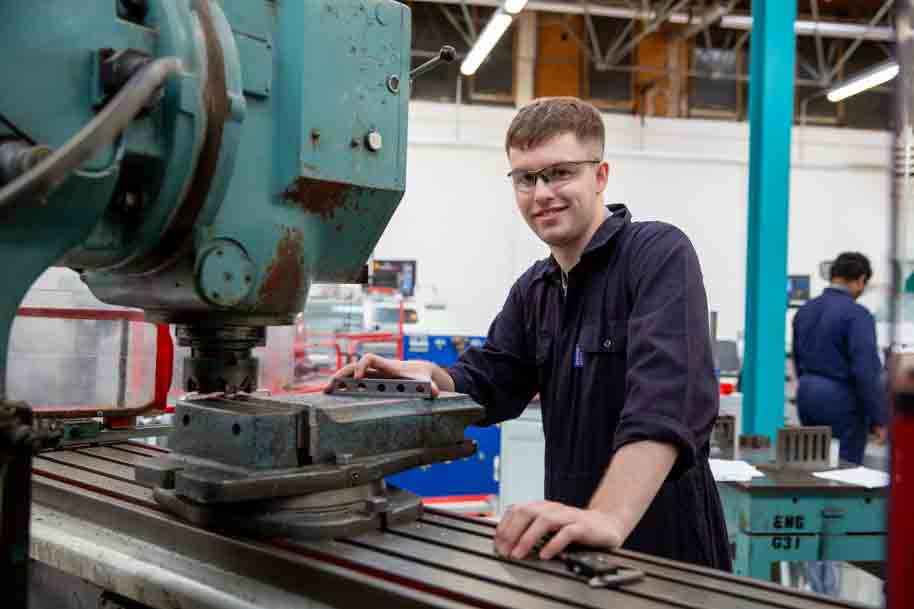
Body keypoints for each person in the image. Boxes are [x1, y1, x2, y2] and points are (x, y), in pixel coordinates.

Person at [328, 96, 731, 570]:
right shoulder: (534, 289)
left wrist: (608, 516)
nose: (541, 193)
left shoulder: (655, 254)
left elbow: (668, 399)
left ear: (600, 176)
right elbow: (493, 380)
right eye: (526, 178)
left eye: (560, 172)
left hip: (665, 551)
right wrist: (428, 377)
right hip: (573, 541)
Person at [792, 252, 888, 466]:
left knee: (812, 463)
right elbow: (866, 371)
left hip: (806, 393)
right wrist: (879, 418)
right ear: (861, 280)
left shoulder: (805, 311)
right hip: (842, 400)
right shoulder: (857, 315)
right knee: (847, 471)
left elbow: (797, 359)